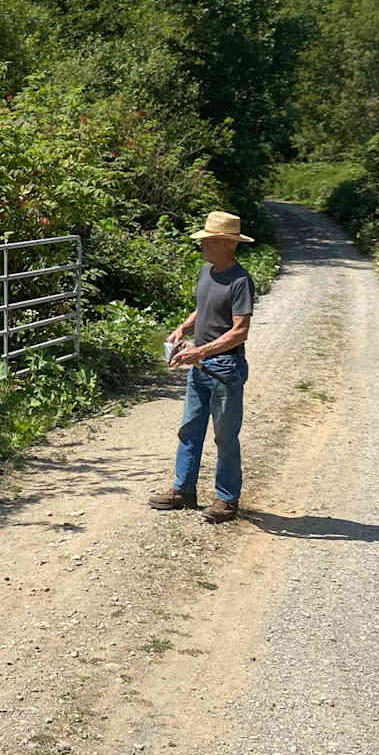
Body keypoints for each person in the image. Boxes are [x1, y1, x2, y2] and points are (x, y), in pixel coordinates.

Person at [148, 211, 256, 524]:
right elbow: (203, 307)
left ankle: (227, 499)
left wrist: (202, 351)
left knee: (225, 437)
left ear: (226, 244)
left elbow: (240, 331)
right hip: (202, 365)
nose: (203, 245)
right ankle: (184, 491)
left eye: (208, 240)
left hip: (225, 368)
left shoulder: (240, 281)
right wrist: (184, 328)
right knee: (190, 430)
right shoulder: (206, 271)